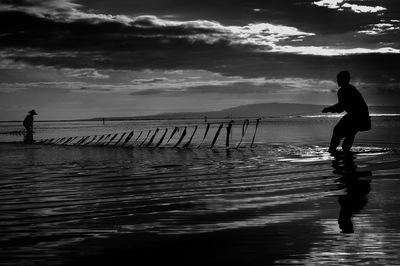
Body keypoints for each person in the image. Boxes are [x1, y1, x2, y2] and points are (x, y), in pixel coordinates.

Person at [322, 71, 371, 153]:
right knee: (349, 136)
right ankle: (346, 157)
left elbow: (340, 107)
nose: (337, 81)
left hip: (356, 117)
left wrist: (328, 109)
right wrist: (330, 109)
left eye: (339, 79)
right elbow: (341, 107)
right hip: (361, 117)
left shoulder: (343, 91)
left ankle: (332, 152)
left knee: (337, 131)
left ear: (344, 80)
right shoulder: (351, 89)